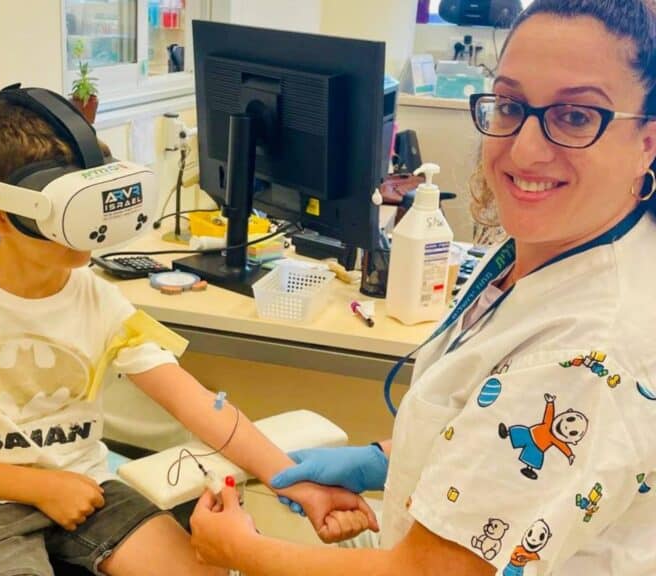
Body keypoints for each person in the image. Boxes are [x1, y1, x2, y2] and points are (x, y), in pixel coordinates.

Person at [189, 0, 656, 574]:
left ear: (648, 143)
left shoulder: (589, 346)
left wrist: (240, 551)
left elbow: (436, 572)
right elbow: (497, 425)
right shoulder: (554, 253)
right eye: (510, 105)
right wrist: (387, 460)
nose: (527, 149)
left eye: (577, 117)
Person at [0, 87, 376, 576]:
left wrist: (290, 480)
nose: (81, 230)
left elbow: (194, 402)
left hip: (86, 485)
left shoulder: (96, 296)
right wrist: (39, 487)